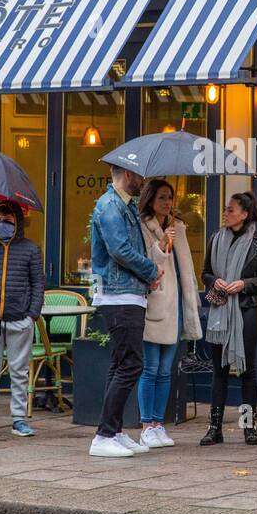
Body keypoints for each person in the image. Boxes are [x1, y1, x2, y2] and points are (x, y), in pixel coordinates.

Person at [88, 164, 162, 458]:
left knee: (121, 364)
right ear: (128, 174)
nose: (144, 179)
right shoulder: (110, 206)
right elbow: (119, 250)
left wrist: (147, 276)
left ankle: (114, 430)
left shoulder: (124, 206)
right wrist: (151, 269)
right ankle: (104, 435)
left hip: (128, 294)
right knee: (131, 364)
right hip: (119, 296)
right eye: (140, 174)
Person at [201, 191, 257, 446]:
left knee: (247, 370)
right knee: (219, 372)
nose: (225, 213)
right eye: (224, 208)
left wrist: (244, 284)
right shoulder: (215, 238)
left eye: (230, 210)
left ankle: (249, 427)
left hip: (246, 311)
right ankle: (215, 427)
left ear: (244, 214)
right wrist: (215, 281)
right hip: (220, 310)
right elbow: (206, 273)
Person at [0, 200, 45, 438]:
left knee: (19, 370)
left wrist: (32, 314)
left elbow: (38, 284)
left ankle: (19, 419)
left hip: (19, 318)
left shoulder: (31, 249)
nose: (2, 225)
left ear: (18, 223)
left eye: (8, 221)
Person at [137, 179, 202, 449]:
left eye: (170, 197)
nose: (167, 202)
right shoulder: (143, 226)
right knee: (150, 368)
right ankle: (145, 425)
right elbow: (146, 263)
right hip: (155, 302)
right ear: (151, 199)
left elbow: (186, 269)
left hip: (177, 305)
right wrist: (162, 246)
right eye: (162, 197)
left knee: (166, 370)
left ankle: (159, 423)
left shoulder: (180, 227)